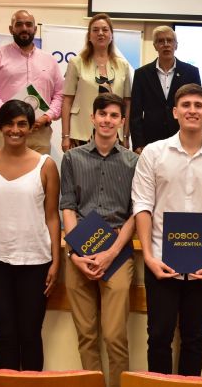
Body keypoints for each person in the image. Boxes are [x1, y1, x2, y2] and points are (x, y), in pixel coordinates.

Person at [131, 83, 202, 375]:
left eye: (198, 105)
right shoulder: (153, 154)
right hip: (160, 263)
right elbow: (142, 205)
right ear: (175, 112)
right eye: (187, 105)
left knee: (194, 339)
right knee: (158, 338)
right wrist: (149, 257)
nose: (192, 110)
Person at [0, 99, 61, 371]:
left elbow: (52, 216)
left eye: (22, 124)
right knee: (6, 337)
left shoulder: (46, 165)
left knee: (31, 336)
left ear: (31, 128)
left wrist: (56, 261)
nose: (15, 129)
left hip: (36, 262)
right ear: (0, 126)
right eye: (9, 123)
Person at [61, 93, 138, 387]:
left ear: (121, 121)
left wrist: (111, 252)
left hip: (117, 253)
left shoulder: (133, 162)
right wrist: (75, 254)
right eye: (102, 114)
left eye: (114, 115)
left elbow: (136, 212)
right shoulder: (71, 158)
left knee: (115, 335)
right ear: (92, 118)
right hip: (79, 252)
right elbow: (67, 206)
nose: (107, 120)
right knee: (86, 334)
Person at [0, 9, 63, 154]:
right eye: (19, 24)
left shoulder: (50, 60)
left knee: (38, 176)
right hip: (4, 130)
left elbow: (60, 94)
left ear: (35, 29)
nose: (24, 28)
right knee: (1, 175)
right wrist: (8, 114)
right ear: (11, 29)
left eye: (29, 24)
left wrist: (47, 116)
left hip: (39, 133)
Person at [61, 13, 133, 151]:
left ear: (111, 35)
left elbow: (127, 103)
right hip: (81, 132)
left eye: (105, 30)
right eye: (95, 30)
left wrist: (125, 135)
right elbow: (67, 101)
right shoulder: (76, 62)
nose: (100, 33)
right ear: (89, 36)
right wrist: (65, 136)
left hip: (113, 131)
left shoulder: (123, 65)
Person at [130, 25, 201, 154]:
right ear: (155, 46)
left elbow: (196, 108)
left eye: (169, 40)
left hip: (183, 138)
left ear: (176, 45)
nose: (166, 44)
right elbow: (135, 113)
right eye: (161, 41)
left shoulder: (191, 72)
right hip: (150, 141)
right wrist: (138, 143)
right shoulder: (141, 74)